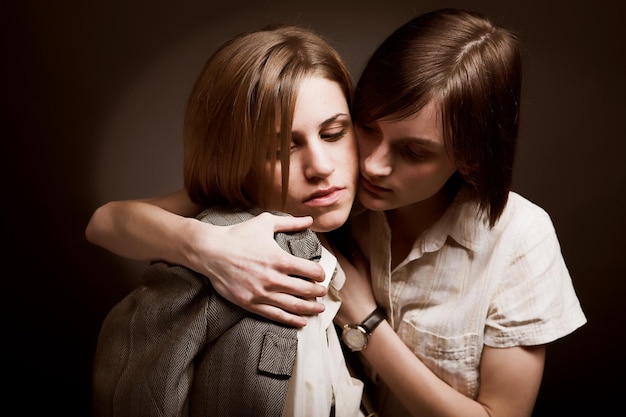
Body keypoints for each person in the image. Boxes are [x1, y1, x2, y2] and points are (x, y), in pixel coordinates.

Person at [86, 8, 587, 417]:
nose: (370, 164)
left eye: (413, 153)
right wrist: (208, 246)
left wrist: (366, 323)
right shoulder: (323, 198)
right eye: (365, 129)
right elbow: (106, 221)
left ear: (471, 157)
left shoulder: (518, 235)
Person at [90, 24, 366, 417]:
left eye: (334, 132)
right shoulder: (225, 242)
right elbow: (103, 221)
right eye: (280, 148)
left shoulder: (375, 200)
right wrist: (209, 246)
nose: (321, 167)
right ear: (240, 161)